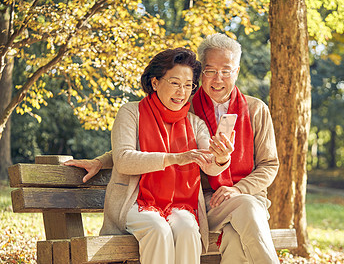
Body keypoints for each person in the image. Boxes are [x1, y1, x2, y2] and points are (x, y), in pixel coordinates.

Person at [66, 34, 280, 264]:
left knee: (237, 237)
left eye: (226, 71)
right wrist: (101, 161)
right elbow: (142, 145)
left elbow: (266, 164)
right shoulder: (188, 105)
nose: (218, 79)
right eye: (210, 71)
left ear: (236, 72)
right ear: (201, 73)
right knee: (219, 220)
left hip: (236, 197)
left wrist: (228, 171)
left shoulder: (254, 110)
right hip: (204, 199)